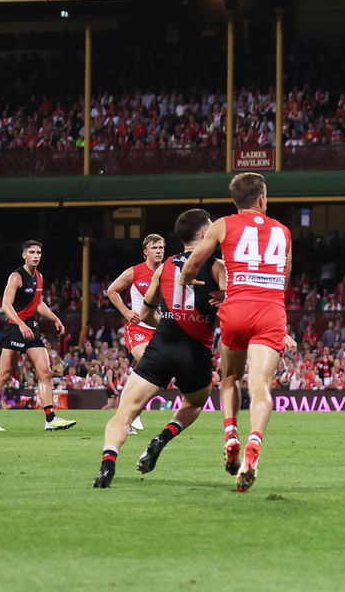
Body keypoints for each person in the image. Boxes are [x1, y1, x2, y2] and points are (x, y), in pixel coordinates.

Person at [93, 210, 224, 488]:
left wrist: (169, 320)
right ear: (203, 235)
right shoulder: (216, 267)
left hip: (162, 345)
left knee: (124, 414)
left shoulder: (165, 267)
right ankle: (161, 438)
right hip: (196, 353)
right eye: (212, 230)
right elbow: (237, 307)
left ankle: (107, 466)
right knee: (195, 403)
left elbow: (147, 310)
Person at [180, 172, 291, 492]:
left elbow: (191, 264)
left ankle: (231, 434)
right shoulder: (283, 232)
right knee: (260, 386)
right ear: (261, 199)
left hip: (237, 308)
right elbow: (284, 280)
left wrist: (190, 283)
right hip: (270, 311)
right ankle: (254, 446)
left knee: (229, 378)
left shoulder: (223, 225)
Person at [0, 240, 77, 432]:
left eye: (39, 252)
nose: (36, 255)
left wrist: (55, 318)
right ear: (24, 255)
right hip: (15, 328)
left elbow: (38, 304)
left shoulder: (39, 276)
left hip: (32, 329)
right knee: (5, 374)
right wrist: (21, 324)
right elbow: (6, 305)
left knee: (45, 372)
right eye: (32, 252)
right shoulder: (16, 276)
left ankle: (50, 419)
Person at [104, 232, 167, 434]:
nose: (159, 251)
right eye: (155, 248)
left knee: (152, 374)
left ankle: (130, 411)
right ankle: (130, 415)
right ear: (145, 252)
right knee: (148, 362)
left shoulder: (169, 272)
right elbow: (112, 291)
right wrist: (125, 311)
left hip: (160, 329)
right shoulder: (134, 272)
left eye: (161, 247)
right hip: (138, 328)